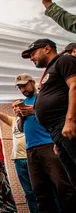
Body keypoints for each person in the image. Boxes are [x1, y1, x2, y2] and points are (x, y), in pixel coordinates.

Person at [13, 69, 76, 213]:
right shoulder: (23, 103)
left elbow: (54, 117)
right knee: (39, 191)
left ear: (32, 83)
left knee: (62, 186)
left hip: (48, 145)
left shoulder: (43, 97)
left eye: (25, 85)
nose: (23, 90)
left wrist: (34, 111)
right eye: (19, 87)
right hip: (31, 149)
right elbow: (19, 127)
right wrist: (21, 116)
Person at [22, 39, 76, 186]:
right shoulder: (49, 71)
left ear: (47, 49)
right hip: (57, 133)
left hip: (66, 124)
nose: (32, 58)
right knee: (73, 176)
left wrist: (70, 121)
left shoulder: (64, 60)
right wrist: (56, 140)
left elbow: (74, 86)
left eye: (33, 53)